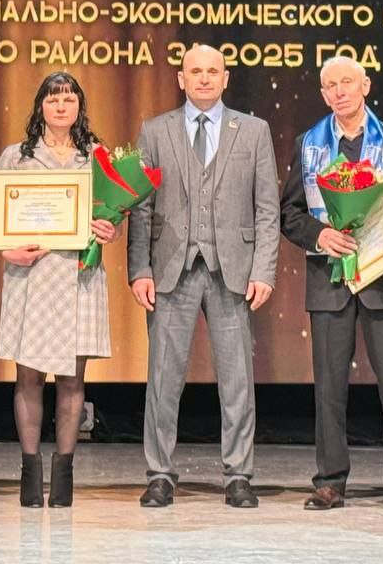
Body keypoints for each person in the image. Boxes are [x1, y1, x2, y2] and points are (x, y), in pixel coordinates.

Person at [279, 56, 383, 514]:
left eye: (347, 82)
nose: (339, 91)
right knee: (329, 387)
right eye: (330, 85)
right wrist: (319, 235)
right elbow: (290, 213)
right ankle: (330, 481)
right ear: (323, 94)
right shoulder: (309, 144)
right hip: (329, 281)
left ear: (365, 85)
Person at [127, 44, 279, 508]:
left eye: (213, 71)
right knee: (163, 379)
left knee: (237, 380)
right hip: (170, 270)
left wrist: (264, 269)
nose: (205, 78)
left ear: (226, 78)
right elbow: (141, 207)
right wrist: (139, 268)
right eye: (196, 71)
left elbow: (267, 208)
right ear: (181, 78)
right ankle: (160, 474)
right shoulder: (155, 131)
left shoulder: (253, 131)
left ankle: (239, 475)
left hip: (232, 271)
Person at [0, 72, 117, 508]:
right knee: (28, 376)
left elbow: (113, 217)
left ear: (80, 106)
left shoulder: (97, 157)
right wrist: (7, 250)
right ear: (40, 106)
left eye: (69, 99)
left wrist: (110, 230)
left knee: (72, 378)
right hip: (31, 277)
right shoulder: (17, 156)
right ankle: (30, 475)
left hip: (80, 278)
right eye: (52, 99)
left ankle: (64, 478)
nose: (61, 107)